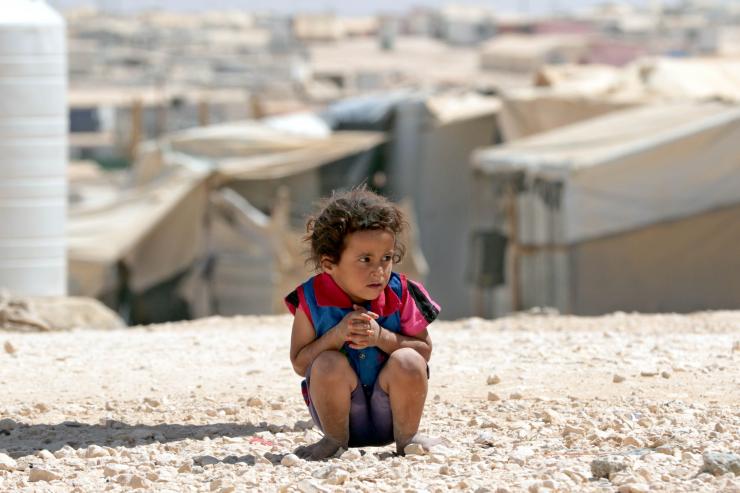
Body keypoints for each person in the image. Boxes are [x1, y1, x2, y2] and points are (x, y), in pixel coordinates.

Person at [285, 186, 441, 460]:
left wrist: (382, 338)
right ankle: (333, 441)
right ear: (330, 263)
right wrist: (336, 335)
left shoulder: (402, 293)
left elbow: (424, 352)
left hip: (391, 418)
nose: (379, 271)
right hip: (340, 418)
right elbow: (300, 364)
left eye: (387, 258)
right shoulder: (311, 299)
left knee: (409, 360)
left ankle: (408, 440)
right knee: (327, 362)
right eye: (365, 259)